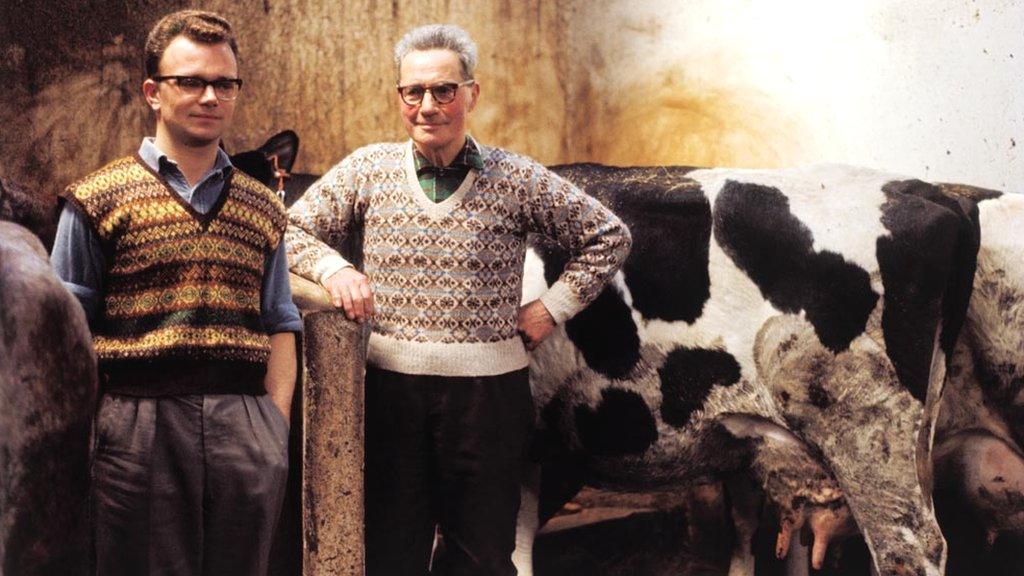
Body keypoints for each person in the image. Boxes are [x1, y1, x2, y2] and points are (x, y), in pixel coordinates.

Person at [286, 23, 632, 576]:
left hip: (487, 400)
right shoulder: (367, 169)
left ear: (472, 94)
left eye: (444, 90)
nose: (427, 105)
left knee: (482, 556)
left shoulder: (516, 178)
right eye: (413, 92)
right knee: (390, 552)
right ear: (399, 96)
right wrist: (334, 268)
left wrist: (551, 309)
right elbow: (286, 231)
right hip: (387, 393)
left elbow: (609, 235)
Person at [51, 10, 301, 575]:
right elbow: (65, 333)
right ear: (153, 92)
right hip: (137, 426)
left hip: (245, 427)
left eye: (224, 83)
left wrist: (273, 428)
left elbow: (280, 320)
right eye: (190, 81)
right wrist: (96, 431)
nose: (210, 96)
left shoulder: (262, 206)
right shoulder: (97, 200)